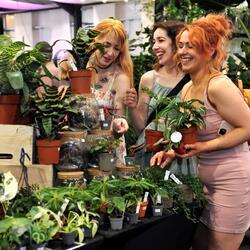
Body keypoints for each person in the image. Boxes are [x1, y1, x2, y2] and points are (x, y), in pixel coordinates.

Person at [150, 14, 250, 250]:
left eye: (191, 46)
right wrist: (173, 152)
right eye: (181, 45)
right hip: (207, 185)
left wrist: (206, 147)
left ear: (210, 51)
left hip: (232, 183)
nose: (183, 51)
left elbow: (248, 128)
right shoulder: (187, 89)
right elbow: (190, 134)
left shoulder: (218, 85)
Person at [124, 20, 194, 172]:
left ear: (177, 43)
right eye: (153, 41)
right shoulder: (149, 78)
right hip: (148, 154)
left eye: (161, 40)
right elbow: (141, 126)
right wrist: (132, 107)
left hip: (178, 155)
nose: (155, 47)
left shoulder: (193, 79)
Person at [87, 18, 133, 161]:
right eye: (106, 45)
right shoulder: (80, 67)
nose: (111, 53)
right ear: (95, 41)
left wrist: (118, 125)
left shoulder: (120, 78)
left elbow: (119, 119)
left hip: (108, 150)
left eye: (116, 48)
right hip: (80, 145)